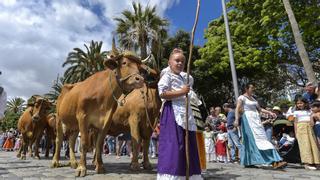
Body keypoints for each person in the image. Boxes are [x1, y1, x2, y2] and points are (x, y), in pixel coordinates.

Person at [157, 48, 202, 179]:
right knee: (175, 145)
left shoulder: (185, 78)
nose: (180, 63)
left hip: (186, 113)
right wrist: (182, 92)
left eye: (182, 61)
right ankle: (173, 174)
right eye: (177, 60)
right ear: (170, 62)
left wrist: (186, 91)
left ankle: (188, 173)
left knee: (188, 144)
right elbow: (163, 93)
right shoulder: (167, 76)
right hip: (172, 113)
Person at [234, 83, 287, 169]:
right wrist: (236, 119)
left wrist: (269, 112)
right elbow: (237, 108)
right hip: (248, 120)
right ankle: (274, 161)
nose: (253, 89)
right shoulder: (241, 98)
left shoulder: (253, 99)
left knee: (261, 139)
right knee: (253, 140)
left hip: (256, 120)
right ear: (246, 89)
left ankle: (250, 161)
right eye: (251, 88)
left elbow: (259, 109)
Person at [293, 96, 320, 170]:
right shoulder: (296, 112)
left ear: (305, 103)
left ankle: (317, 162)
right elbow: (295, 122)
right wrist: (296, 132)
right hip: (301, 128)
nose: (299, 105)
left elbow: (312, 122)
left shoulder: (309, 111)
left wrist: (311, 118)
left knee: (313, 145)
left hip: (310, 128)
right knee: (304, 146)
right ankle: (306, 163)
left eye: (301, 103)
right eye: (298, 103)